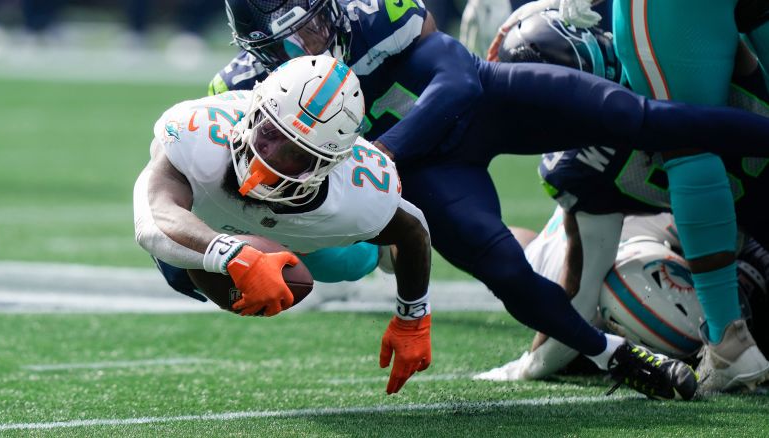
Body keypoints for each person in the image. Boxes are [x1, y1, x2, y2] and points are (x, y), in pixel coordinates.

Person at [210, 0, 769, 400]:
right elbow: (211, 183)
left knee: (636, 117)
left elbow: (458, 83)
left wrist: (379, 155)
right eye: (282, 44)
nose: (304, 48)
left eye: (309, 27)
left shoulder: (370, 16)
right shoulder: (241, 90)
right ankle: (613, 355)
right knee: (501, 264)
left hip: (473, 113)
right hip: (432, 173)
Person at [493, 7, 769, 392]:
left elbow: (579, 296)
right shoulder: (642, 71)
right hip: (738, 233)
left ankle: (728, 341)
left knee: (626, 280)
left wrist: (529, 366)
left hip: (727, 240)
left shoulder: (578, 165)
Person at [134, 55, 432, 395]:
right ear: (255, 111)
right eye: (269, 133)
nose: (269, 157)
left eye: (295, 155)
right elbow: (152, 219)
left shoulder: (358, 193)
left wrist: (413, 318)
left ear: (330, 164)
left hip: (299, 225)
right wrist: (232, 254)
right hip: (205, 219)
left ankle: (374, 254)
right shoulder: (198, 132)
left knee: (346, 264)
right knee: (179, 265)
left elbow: (413, 228)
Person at [475, 209, 769, 382]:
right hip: (576, 250)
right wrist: (527, 368)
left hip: (593, 227)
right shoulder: (566, 283)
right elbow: (565, 324)